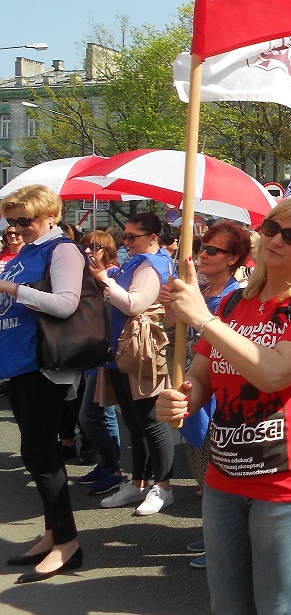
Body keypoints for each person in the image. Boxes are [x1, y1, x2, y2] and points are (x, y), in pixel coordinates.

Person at [157, 197, 291, 615]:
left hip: (290, 483)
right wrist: (182, 397)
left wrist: (204, 320)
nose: (276, 240)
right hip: (226, 474)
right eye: (272, 228)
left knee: (280, 605)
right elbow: (202, 377)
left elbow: (273, 373)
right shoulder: (233, 303)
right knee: (228, 603)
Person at [0, 186, 84, 582]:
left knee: (42, 455)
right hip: (20, 363)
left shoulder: (62, 249)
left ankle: (67, 543)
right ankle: (53, 533)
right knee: (36, 456)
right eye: (12, 221)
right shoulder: (27, 252)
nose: (17, 227)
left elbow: (66, 304)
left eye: (25, 220)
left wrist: (10, 288)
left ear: (51, 216)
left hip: (44, 365)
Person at [172, 220, 251, 570]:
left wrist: (195, 323)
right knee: (200, 469)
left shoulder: (235, 299)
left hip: (220, 397)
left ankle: (225, 543)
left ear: (233, 258)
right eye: (203, 247)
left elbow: (228, 350)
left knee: (217, 475)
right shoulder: (200, 292)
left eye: (213, 250)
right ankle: (212, 534)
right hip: (196, 387)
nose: (203, 255)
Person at [93, 212, 177, 516]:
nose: (126, 241)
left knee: (151, 421)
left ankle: (163, 486)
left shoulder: (153, 264)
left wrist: (105, 281)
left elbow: (134, 304)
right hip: (124, 349)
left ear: (153, 238)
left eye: (131, 237)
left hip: (142, 351)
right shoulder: (140, 261)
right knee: (133, 421)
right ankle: (139, 482)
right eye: (124, 236)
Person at [75, 230, 125, 497]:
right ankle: (108, 465)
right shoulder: (84, 275)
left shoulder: (113, 275)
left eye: (95, 247)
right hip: (89, 351)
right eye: (84, 246)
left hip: (106, 354)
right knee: (99, 414)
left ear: (108, 250)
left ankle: (113, 469)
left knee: (93, 415)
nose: (88, 251)